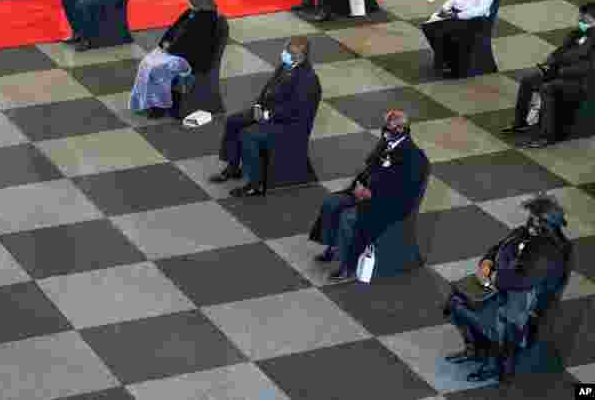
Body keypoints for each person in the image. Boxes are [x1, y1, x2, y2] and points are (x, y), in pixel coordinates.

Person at [442, 194, 571, 384]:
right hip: (505, 289)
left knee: (481, 313)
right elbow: (500, 247)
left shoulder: (550, 251)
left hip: (525, 305)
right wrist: (488, 261)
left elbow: (524, 280)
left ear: (547, 224)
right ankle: (476, 350)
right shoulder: (525, 233)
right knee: (455, 302)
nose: (529, 224)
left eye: (535, 220)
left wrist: (494, 277)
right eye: (531, 218)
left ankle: (494, 364)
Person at [308, 110, 429, 281]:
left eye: (390, 128)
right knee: (331, 202)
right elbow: (369, 166)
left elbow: (403, 191)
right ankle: (333, 246)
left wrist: (371, 194)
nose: (386, 131)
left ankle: (347, 265)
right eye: (385, 127)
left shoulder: (414, 157)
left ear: (402, 129)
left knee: (349, 218)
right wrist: (359, 184)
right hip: (365, 191)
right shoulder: (385, 143)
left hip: (387, 203)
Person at [209, 36, 321, 197]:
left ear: (301, 56)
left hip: (289, 126)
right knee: (234, 121)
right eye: (286, 50)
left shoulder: (308, 80)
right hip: (267, 111)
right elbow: (268, 89)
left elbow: (293, 110)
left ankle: (255, 184)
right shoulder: (285, 66)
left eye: (289, 52)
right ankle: (233, 167)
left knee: (248, 135)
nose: (284, 54)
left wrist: (266, 115)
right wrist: (258, 106)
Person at [502, 4, 595, 148]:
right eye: (580, 17)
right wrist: (548, 62)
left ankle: (547, 135)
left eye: (584, 19)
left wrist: (560, 71)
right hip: (559, 72)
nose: (580, 21)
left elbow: (588, 67)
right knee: (528, 80)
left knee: (547, 88)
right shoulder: (576, 34)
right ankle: (520, 123)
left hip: (582, 82)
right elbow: (560, 51)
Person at [129, 0, 221, 118]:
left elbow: (194, 45)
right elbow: (173, 29)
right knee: (146, 63)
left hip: (191, 59)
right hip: (177, 51)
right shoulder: (192, 12)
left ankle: (159, 108)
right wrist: (164, 43)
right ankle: (146, 101)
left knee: (157, 70)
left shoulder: (207, 20)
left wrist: (169, 48)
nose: (191, 3)